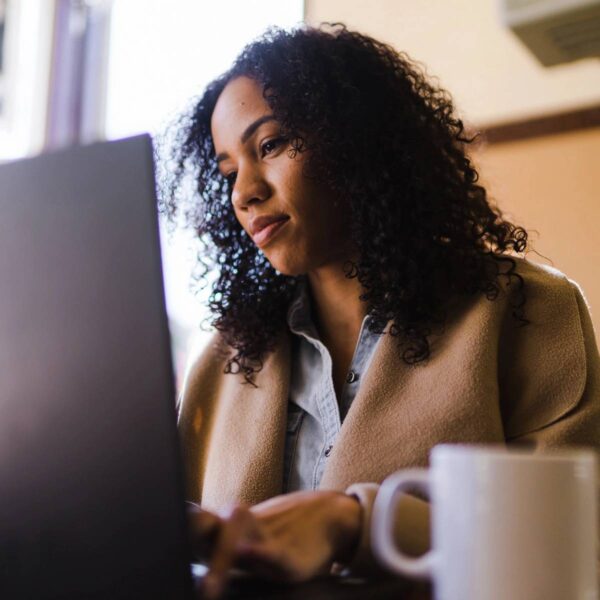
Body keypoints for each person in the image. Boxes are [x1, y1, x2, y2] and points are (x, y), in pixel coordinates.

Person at [160, 24, 600, 599]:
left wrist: (358, 522)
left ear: (354, 140)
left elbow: (569, 537)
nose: (244, 192)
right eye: (228, 172)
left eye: (268, 146)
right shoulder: (223, 360)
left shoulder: (527, 312)